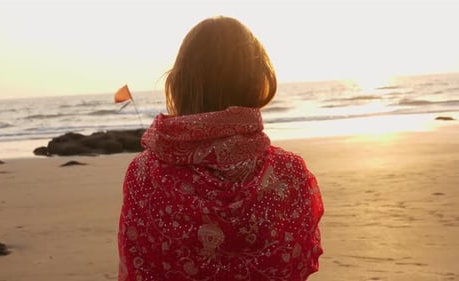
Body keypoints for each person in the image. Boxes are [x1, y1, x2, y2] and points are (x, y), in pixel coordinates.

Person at [118, 16, 324, 281]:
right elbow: (296, 264)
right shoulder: (288, 172)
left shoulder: (144, 174)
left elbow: (137, 269)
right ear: (257, 81)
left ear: (179, 83)